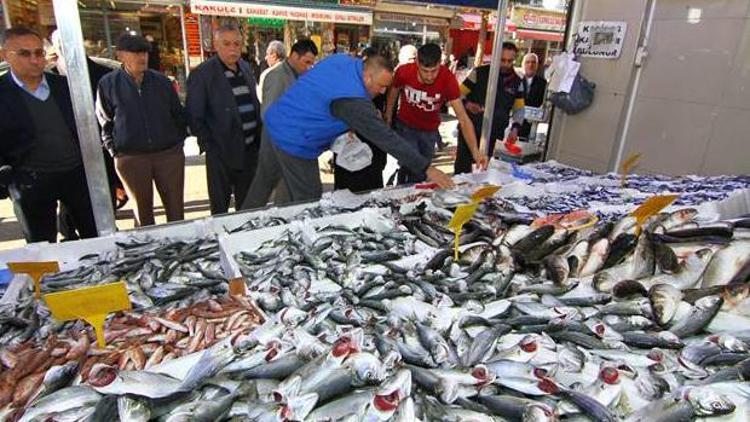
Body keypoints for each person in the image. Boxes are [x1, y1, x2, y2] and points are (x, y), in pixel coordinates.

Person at [241, 53, 454, 210]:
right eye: (380, 86)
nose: (382, 92)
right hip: (295, 140)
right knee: (309, 200)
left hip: (275, 122)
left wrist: (351, 122)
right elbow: (386, 139)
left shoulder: (344, 60)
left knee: (263, 183)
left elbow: (325, 95)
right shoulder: (353, 101)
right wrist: (426, 168)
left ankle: (236, 226)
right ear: (368, 76)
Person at [0, 26, 97, 242]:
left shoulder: (64, 87)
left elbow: (90, 129)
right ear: (5, 55)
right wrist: (9, 182)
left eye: (39, 52)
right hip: (31, 182)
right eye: (25, 53)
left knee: (97, 238)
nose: (35, 59)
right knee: (42, 247)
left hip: (77, 176)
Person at [96, 34, 187, 227]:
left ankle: (181, 250)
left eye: (144, 52)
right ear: (121, 55)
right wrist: (116, 151)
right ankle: (148, 252)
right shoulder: (108, 84)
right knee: (142, 214)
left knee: (176, 211)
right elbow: (105, 121)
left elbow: (178, 114)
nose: (142, 57)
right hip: (131, 157)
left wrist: (177, 144)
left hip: (168, 154)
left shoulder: (162, 82)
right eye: (135, 52)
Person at [49, 29, 127, 241]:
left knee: (106, 199)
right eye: (61, 43)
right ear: (55, 47)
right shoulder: (49, 78)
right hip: (65, 156)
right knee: (69, 207)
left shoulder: (104, 74)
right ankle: (69, 236)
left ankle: (107, 236)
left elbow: (115, 117)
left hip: (101, 151)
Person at [186, 24, 262, 215]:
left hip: (249, 151)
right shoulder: (203, 74)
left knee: (247, 207)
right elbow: (194, 116)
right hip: (221, 154)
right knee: (220, 209)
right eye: (227, 44)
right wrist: (211, 146)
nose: (233, 49)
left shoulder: (245, 67)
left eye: (237, 44)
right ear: (216, 45)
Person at [385, 43, 486, 184]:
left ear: (440, 63)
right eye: (425, 71)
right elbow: (394, 90)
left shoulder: (448, 78)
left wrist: (475, 151)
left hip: (430, 131)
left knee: (422, 171)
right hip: (406, 126)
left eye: (434, 71)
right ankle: (403, 193)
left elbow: (463, 118)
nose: (429, 76)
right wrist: (389, 113)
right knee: (413, 167)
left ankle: (410, 194)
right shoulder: (404, 71)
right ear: (417, 63)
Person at [257, 39, 318, 203]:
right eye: (306, 62)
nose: (309, 67)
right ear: (294, 56)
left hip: (296, 147)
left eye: (312, 63)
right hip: (281, 148)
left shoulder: (298, 75)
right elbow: (269, 115)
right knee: (283, 198)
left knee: (294, 196)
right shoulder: (277, 76)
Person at [454, 42, 526, 175]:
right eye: (502, 60)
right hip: (471, 130)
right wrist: (468, 104)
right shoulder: (479, 72)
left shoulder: (517, 81)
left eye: (509, 61)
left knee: (485, 172)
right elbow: (458, 94)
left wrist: (515, 128)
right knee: (462, 171)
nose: (505, 64)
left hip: (495, 134)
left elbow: (519, 109)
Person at [333, 47, 387, 193]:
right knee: (349, 186)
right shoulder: (346, 86)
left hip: (372, 140)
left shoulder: (381, 83)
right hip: (351, 139)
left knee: (371, 183)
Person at [519, 52, 548, 140]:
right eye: (527, 62)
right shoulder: (516, 81)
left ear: (537, 65)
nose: (530, 65)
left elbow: (544, 103)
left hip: (533, 123)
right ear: (523, 64)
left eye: (533, 62)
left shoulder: (543, 83)